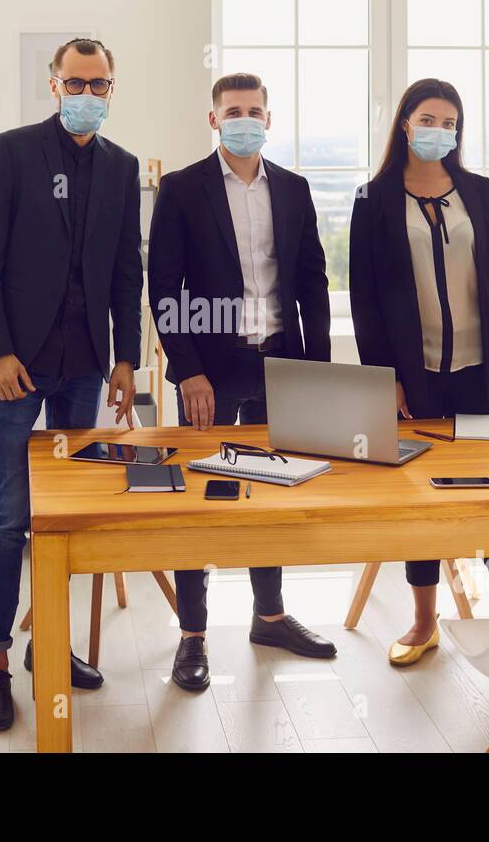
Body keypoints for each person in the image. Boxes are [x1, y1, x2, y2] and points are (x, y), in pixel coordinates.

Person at [0, 37, 143, 731]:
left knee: (67, 517)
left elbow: (128, 270)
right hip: (19, 367)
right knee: (11, 514)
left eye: (100, 85)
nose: (88, 95)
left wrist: (126, 357)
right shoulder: (11, 152)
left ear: (111, 88)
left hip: (84, 367)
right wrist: (0, 353)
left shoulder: (122, 167)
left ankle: (52, 647)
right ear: (53, 85)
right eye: (77, 83)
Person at [349, 78, 489, 667]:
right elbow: (365, 299)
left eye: (450, 122)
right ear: (405, 123)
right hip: (417, 377)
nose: (440, 131)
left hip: (481, 370)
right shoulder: (372, 199)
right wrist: (386, 376)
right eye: (428, 119)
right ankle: (422, 620)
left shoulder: (479, 193)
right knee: (421, 500)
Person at [146, 72, 335, 692]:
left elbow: (312, 283)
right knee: (199, 501)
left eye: (254, 110)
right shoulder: (180, 190)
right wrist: (189, 369)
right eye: (233, 110)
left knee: (272, 494)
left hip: (280, 364)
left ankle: (270, 617)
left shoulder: (294, 188)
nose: (244, 119)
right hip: (210, 370)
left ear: (270, 120)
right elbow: (163, 287)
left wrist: (315, 370)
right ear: (213, 119)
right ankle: (193, 635)